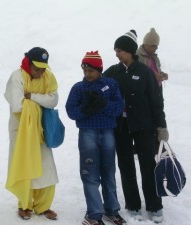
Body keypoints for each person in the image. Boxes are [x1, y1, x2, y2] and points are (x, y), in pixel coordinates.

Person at [103, 30, 169, 223]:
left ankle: (155, 206)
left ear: (130, 51)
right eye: (116, 51)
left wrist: (161, 127)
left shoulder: (145, 72)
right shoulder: (113, 72)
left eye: (120, 50)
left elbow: (156, 102)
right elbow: (98, 83)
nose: (117, 54)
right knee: (125, 166)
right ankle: (133, 205)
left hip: (144, 126)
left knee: (148, 165)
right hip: (121, 126)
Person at [66, 51, 126, 225]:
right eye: (84, 70)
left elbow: (118, 107)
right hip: (87, 133)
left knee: (109, 172)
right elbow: (71, 110)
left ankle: (112, 211)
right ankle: (94, 214)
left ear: (99, 69)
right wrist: (85, 108)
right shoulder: (79, 88)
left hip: (107, 132)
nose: (87, 74)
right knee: (90, 174)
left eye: (91, 70)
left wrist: (103, 104)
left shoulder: (111, 84)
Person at [5, 47, 59, 221]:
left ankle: (43, 206)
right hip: (21, 131)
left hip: (41, 129)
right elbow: (17, 105)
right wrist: (41, 101)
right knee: (25, 166)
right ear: (28, 63)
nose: (40, 72)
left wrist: (33, 97)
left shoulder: (48, 77)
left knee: (46, 167)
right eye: (37, 68)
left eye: (43, 68)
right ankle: (25, 205)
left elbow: (54, 100)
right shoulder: (17, 77)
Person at [137, 28, 169, 154]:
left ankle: (157, 142)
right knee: (150, 116)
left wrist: (162, 74)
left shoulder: (154, 57)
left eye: (156, 46)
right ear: (145, 44)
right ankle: (153, 143)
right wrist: (152, 76)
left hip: (156, 89)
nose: (155, 48)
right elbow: (139, 73)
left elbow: (155, 71)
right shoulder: (138, 56)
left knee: (157, 113)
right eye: (153, 46)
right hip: (146, 92)